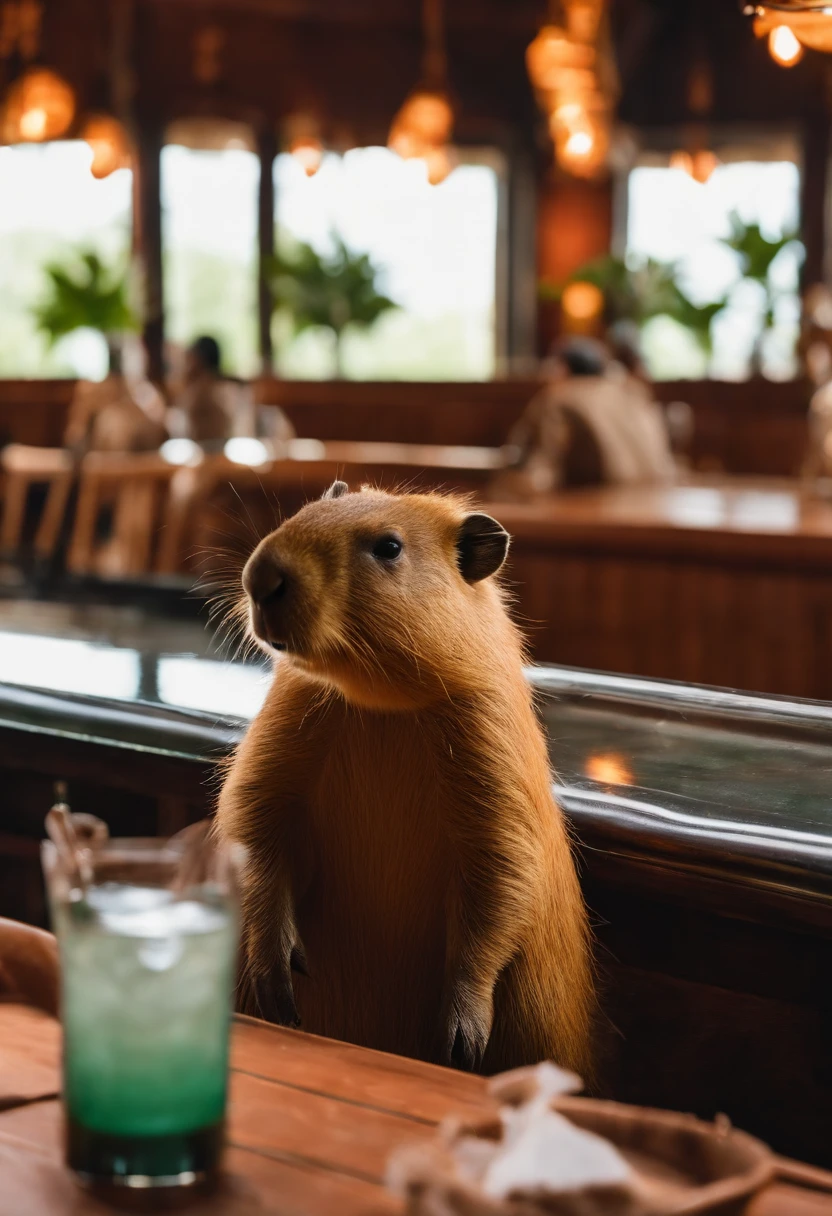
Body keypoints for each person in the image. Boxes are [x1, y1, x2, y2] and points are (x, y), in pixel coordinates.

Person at [490, 337, 676, 501]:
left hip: (598, 508)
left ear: (562, 368)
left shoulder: (560, 397)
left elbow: (540, 473)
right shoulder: (635, 393)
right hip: (653, 499)